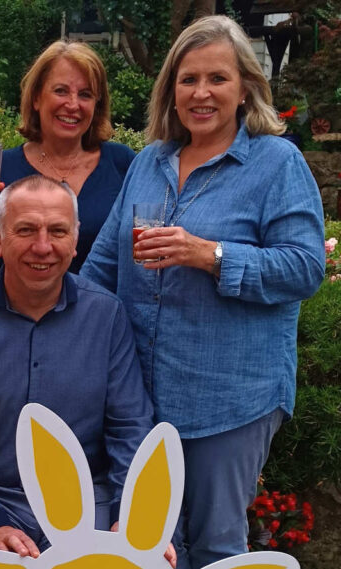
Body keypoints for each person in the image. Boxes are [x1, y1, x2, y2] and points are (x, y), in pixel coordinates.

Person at [80, 15, 325, 569]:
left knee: (215, 546)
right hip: (142, 398)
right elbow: (100, 268)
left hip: (229, 400)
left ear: (246, 87)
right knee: (148, 545)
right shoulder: (149, 161)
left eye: (217, 78)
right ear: (170, 91)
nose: (201, 93)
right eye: (188, 79)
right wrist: (52, 313)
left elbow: (305, 267)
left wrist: (208, 255)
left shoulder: (275, 164)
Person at [0, 176, 166, 562]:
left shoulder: (106, 315)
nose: (43, 246)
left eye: (57, 231)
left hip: (90, 507)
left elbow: (129, 425)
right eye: (26, 230)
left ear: (74, 240)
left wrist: (128, 515)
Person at [0, 40, 135, 285]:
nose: (73, 105)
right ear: (36, 98)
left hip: (102, 319)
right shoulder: (2, 170)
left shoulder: (122, 164)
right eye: (61, 91)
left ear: (97, 105)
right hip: (22, 320)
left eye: (85, 94)